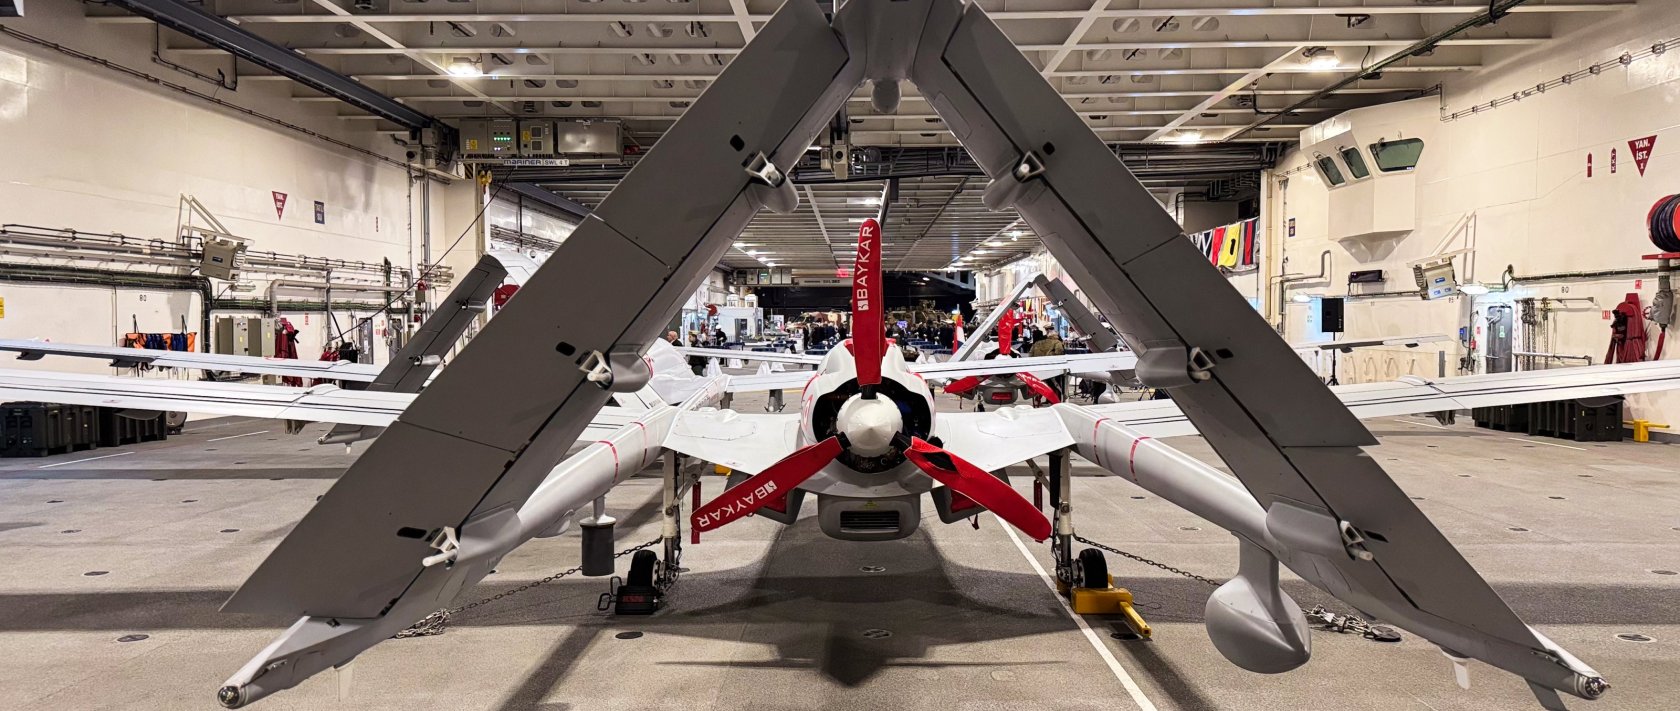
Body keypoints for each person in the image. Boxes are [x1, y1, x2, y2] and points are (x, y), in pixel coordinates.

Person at [1030, 328, 1066, 397]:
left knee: (1041, 383)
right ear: (1056, 336)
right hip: (1052, 368)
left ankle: (1039, 399)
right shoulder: (1057, 342)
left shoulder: (1038, 343)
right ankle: (1056, 399)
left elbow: (1031, 354)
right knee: (1055, 383)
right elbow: (1059, 353)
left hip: (1038, 367)